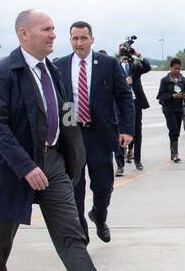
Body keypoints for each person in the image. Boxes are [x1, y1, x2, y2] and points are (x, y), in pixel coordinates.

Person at [0, 9, 136, 271]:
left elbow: (65, 111)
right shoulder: (3, 73)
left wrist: (74, 151)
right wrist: (25, 167)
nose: (53, 35)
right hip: (13, 167)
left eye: (53, 29)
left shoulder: (52, 70)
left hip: (52, 162)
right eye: (46, 29)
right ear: (24, 33)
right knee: (0, 236)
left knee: (69, 231)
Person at [53, 21, 134, 244]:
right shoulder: (59, 66)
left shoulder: (107, 64)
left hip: (100, 134)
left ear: (92, 39)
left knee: (103, 185)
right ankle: (81, 233)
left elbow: (125, 98)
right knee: (74, 187)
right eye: (75, 39)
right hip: (72, 135)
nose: (79, 43)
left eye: (83, 38)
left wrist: (127, 129)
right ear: (70, 40)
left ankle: (99, 214)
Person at [156, 58, 185, 162]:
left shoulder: (183, 80)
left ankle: (174, 149)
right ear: (171, 68)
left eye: (179, 69)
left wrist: (184, 96)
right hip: (168, 108)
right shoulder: (165, 80)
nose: (177, 71)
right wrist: (173, 96)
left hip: (179, 108)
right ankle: (174, 153)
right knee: (173, 129)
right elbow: (160, 95)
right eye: (175, 69)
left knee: (177, 131)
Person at [126, 49, 152, 170]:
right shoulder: (115, 66)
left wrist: (137, 54)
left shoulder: (135, 66)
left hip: (136, 102)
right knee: (122, 130)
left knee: (137, 131)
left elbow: (147, 67)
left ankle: (137, 159)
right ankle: (121, 161)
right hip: (123, 103)